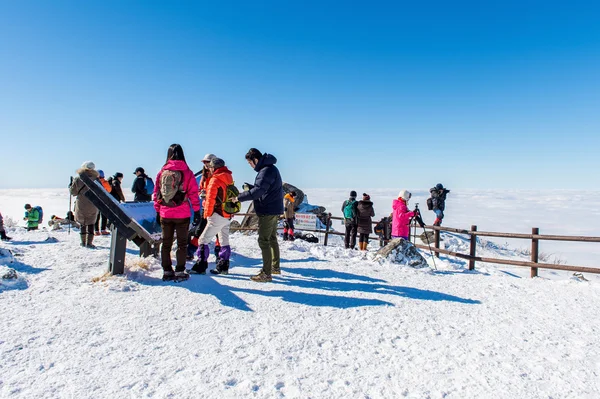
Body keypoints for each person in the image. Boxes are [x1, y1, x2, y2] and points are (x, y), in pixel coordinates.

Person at [235, 148, 283, 282]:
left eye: (250, 163)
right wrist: (252, 188)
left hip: (267, 209)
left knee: (264, 240)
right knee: (272, 238)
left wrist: (239, 197)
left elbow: (258, 191)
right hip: (273, 208)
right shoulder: (270, 168)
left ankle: (266, 274)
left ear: (255, 160)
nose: (251, 166)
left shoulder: (266, 170)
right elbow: (262, 188)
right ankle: (275, 267)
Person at [153, 144, 200, 282]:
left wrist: (158, 210)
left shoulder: (162, 172)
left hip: (165, 213)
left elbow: (156, 193)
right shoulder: (187, 172)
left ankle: (167, 271)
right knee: (182, 244)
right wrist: (197, 211)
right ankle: (180, 271)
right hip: (182, 213)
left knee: (166, 243)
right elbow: (193, 194)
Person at [190, 157, 234, 275]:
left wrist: (207, 214)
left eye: (210, 167)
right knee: (224, 240)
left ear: (214, 167)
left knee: (203, 240)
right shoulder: (229, 178)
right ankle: (223, 266)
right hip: (227, 214)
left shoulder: (215, 179)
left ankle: (201, 266)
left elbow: (210, 200)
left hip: (217, 214)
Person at [69, 161, 100, 248]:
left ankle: (83, 242)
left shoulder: (78, 179)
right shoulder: (96, 179)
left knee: (82, 222)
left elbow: (73, 192)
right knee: (91, 222)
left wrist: (70, 185)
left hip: (81, 203)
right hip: (93, 203)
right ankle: (89, 243)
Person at [94, 170, 112, 235]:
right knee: (104, 215)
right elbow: (109, 190)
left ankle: (96, 230)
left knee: (97, 215)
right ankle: (103, 229)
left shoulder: (94, 182)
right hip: (104, 200)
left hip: (96, 200)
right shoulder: (105, 182)